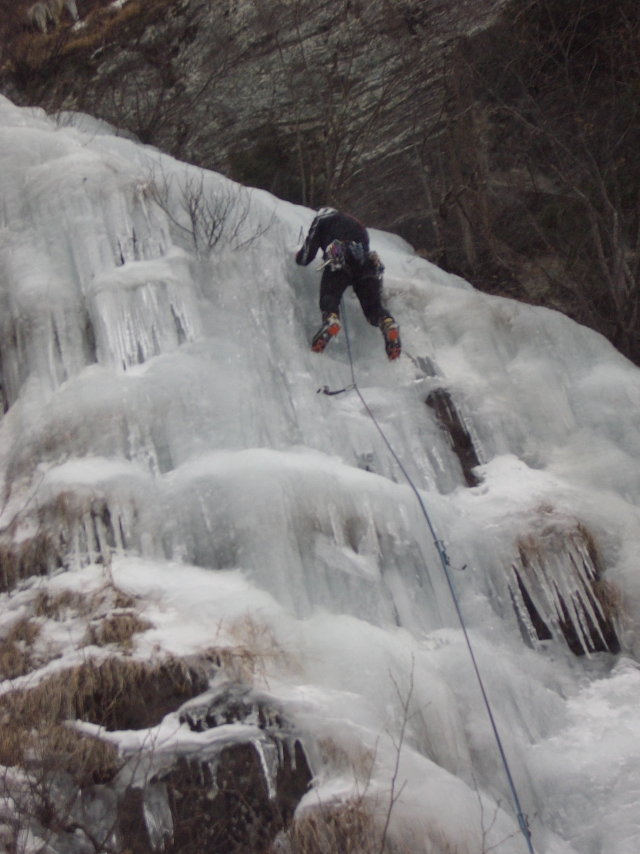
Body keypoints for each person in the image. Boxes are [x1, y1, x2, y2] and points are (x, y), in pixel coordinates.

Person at [295, 208, 401, 360]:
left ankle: (331, 319)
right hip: (366, 263)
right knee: (373, 309)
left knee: (329, 296)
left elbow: (306, 256)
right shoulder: (360, 227)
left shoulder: (322, 219)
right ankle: (387, 322)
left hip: (340, 257)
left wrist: (298, 257)